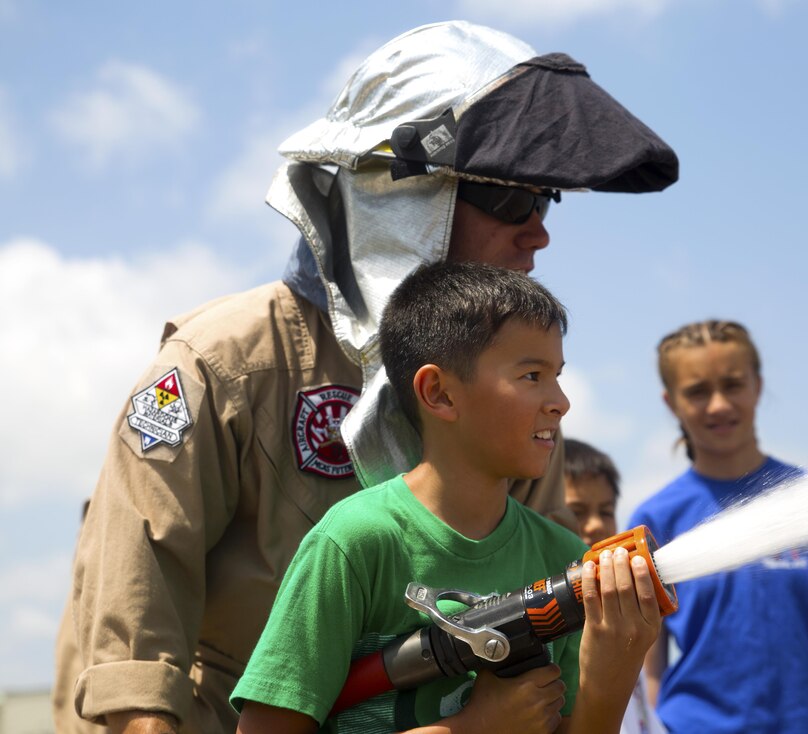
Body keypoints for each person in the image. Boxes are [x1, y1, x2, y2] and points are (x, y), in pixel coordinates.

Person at [55, 20, 679, 734]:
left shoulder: (501, 401)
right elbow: (134, 636)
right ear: (395, 195)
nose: (538, 232)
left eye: (546, 201)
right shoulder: (224, 362)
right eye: (511, 199)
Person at [231, 261, 662, 733]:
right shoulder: (354, 542)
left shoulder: (562, 556)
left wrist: (612, 673)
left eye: (557, 375)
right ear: (439, 393)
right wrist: (473, 727)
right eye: (532, 376)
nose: (561, 400)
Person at [628, 319, 808, 733]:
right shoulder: (655, 520)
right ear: (671, 402)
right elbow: (651, 672)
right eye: (698, 391)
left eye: (733, 384)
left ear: (758, 385)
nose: (718, 404)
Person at [562, 437, 668, 734]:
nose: (595, 524)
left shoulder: (622, 619)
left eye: (606, 511)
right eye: (577, 511)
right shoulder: (558, 638)